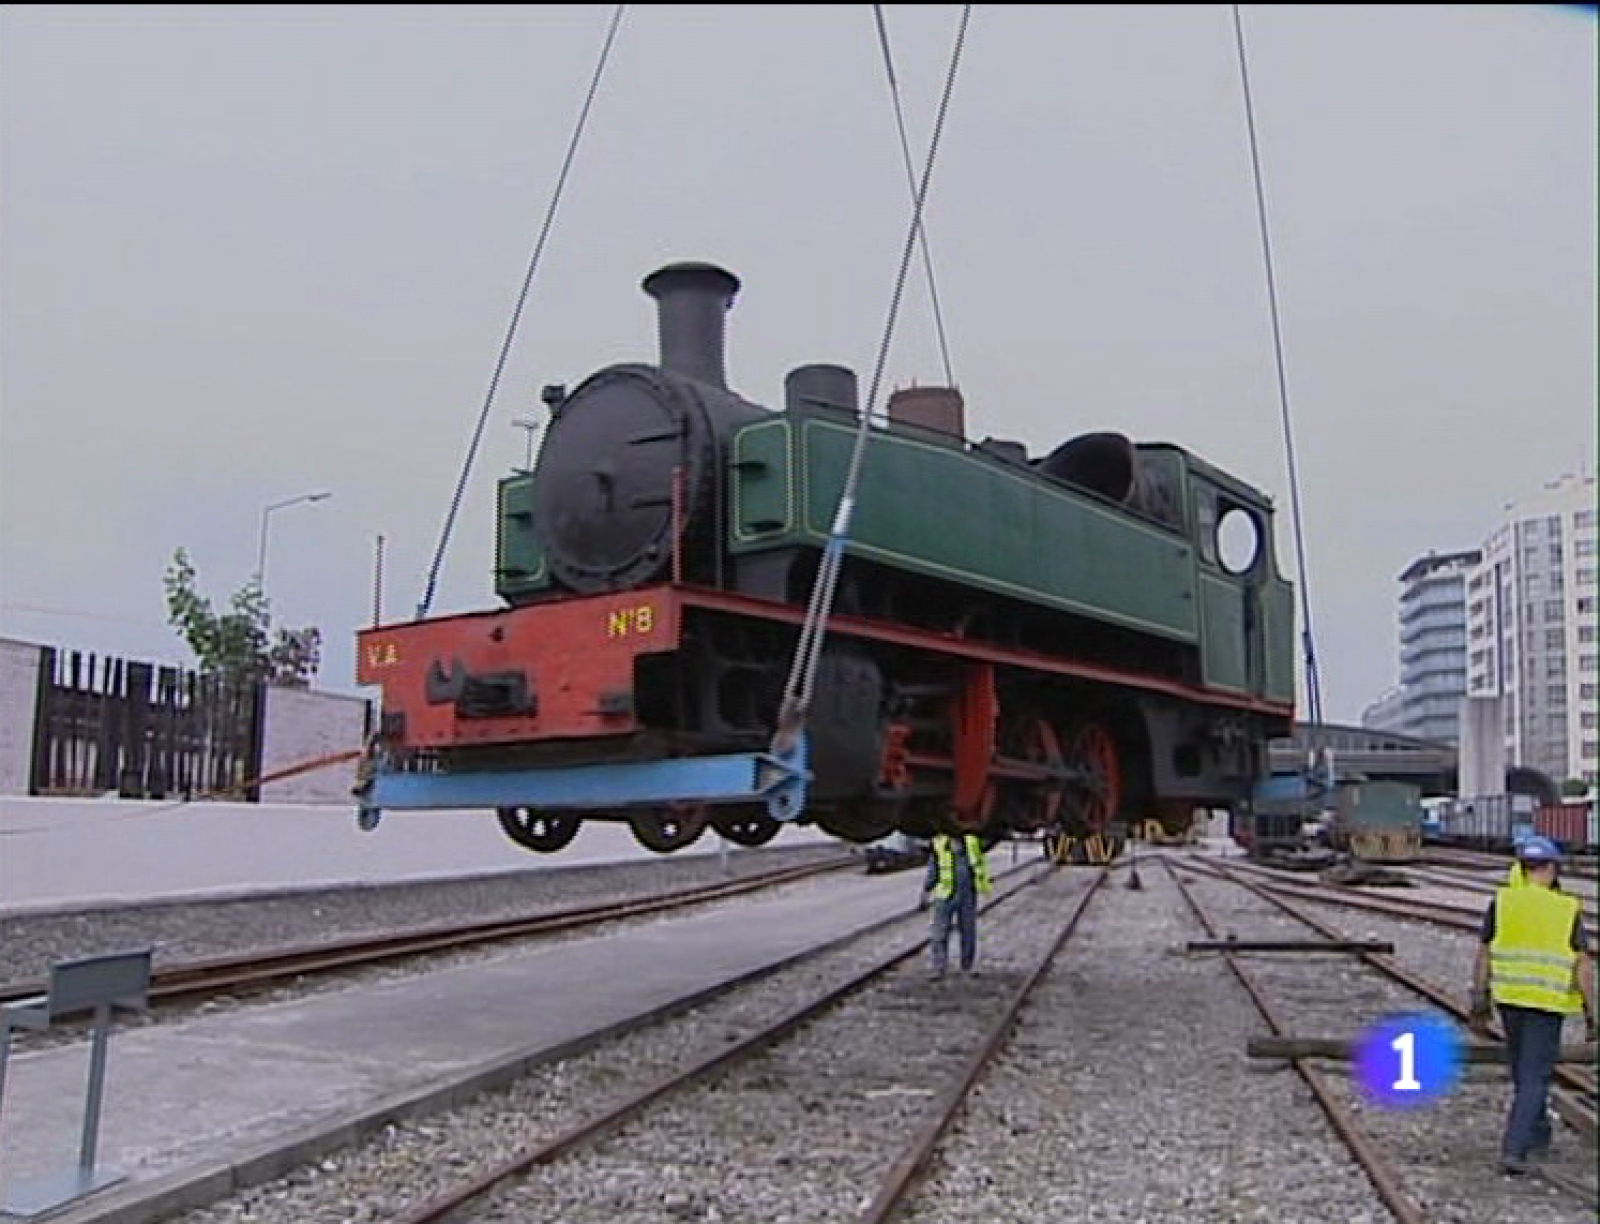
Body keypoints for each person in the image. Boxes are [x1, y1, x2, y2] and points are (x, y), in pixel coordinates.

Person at [1469, 835, 1598, 1176]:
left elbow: (1484, 952)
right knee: (1535, 1075)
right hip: (1545, 1002)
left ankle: (1538, 1132)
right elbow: (1583, 965)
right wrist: (1592, 1013)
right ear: (1552, 868)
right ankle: (1514, 1149)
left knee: (1523, 1070)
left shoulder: (1503, 901)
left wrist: (1479, 998)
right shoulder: (1565, 908)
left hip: (1509, 999)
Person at [919, 831, 993, 978]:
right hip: (945, 895)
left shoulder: (972, 843)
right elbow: (933, 870)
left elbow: (981, 859)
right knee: (939, 933)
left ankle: (967, 966)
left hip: (967, 895)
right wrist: (926, 891)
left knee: (968, 932)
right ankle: (938, 968)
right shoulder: (940, 844)